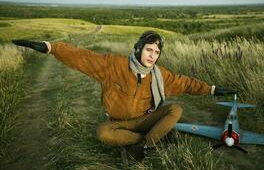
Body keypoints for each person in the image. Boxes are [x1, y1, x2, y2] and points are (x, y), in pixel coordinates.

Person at [12, 30, 236, 161]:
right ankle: (150, 140)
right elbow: (83, 57)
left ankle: (143, 146)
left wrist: (212, 89)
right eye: (149, 49)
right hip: (118, 123)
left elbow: (184, 82)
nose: (152, 55)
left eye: (157, 52)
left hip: (144, 118)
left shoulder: (158, 74)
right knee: (102, 132)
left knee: (175, 109)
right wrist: (51, 47)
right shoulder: (114, 65)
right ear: (138, 48)